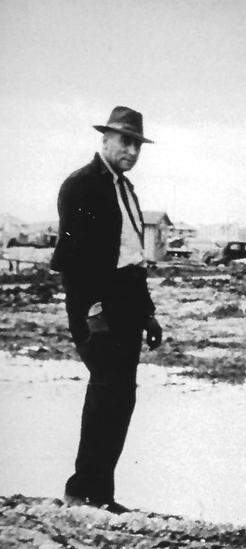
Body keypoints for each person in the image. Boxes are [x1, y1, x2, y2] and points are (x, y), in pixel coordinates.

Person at [50, 106, 164, 513]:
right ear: (105, 140)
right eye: (124, 141)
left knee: (121, 398)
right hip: (96, 307)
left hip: (127, 304)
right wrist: (93, 317)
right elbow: (75, 261)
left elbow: (132, 258)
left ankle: (101, 495)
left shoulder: (127, 190)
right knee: (105, 393)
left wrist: (147, 312)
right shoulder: (80, 186)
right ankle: (81, 492)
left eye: (137, 144)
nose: (131, 150)